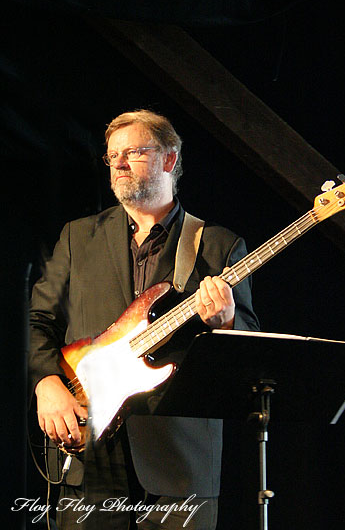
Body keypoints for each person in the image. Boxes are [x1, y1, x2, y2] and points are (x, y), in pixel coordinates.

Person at [29, 109, 259, 529]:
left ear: (169, 159)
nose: (117, 163)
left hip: (180, 462)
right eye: (112, 155)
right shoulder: (77, 237)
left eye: (132, 152)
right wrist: (46, 383)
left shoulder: (218, 245)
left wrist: (226, 322)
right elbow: (35, 321)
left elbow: (250, 351)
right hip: (88, 451)